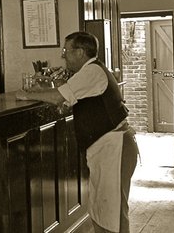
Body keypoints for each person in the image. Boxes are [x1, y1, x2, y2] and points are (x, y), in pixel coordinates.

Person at [16, 31, 138, 233]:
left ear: (80, 52)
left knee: (112, 214)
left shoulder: (92, 72)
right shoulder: (90, 72)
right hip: (107, 149)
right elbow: (68, 96)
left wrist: (26, 96)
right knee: (103, 210)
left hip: (115, 148)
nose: (63, 55)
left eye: (66, 50)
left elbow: (57, 97)